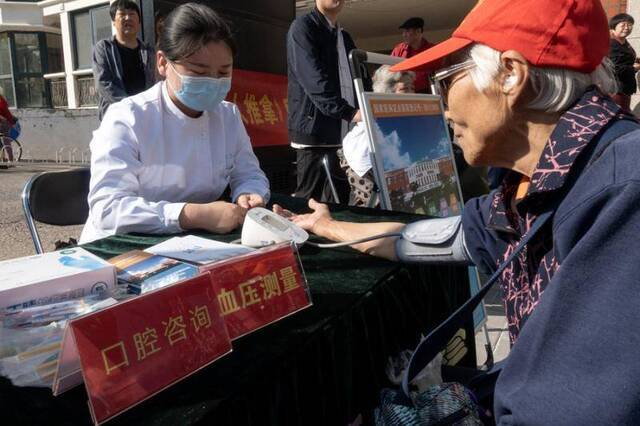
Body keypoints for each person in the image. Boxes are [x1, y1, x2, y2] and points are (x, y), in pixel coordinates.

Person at [275, 0, 640, 423]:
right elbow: (431, 238)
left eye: (447, 79)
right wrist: (328, 225)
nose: (444, 106)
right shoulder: (535, 184)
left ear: (511, 75)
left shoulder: (622, 193)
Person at [80, 3, 270, 244]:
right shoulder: (128, 118)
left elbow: (249, 172)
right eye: (199, 72)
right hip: (122, 246)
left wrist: (249, 193)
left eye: (223, 72)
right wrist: (191, 214)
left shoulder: (227, 116)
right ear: (163, 63)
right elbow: (108, 210)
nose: (212, 81)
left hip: (193, 242)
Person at [286, 0, 361, 203]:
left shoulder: (343, 36)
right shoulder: (303, 27)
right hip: (314, 131)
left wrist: (367, 106)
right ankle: (301, 235)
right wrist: (349, 112)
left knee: (340, 198)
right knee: (310, 200)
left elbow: (360, 76)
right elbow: (313, 77)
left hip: (343, 131)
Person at [338, 65, 415, 206]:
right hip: (364, 162)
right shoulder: (381, 111)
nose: (411, 93)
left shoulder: (402, 112)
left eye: (412, 88)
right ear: (387, 92)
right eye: (404, 89)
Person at [92, 0, 156, 120]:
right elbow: (103, 83)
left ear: (139, 22)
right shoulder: (103, 48)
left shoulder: (149, 51)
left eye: (132, 14)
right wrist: (131, 106)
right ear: (113, 22)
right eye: (122, 14)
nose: (128, 18)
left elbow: (155, 82)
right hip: (116, 115)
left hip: (146, 115)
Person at [390, 17, 435, 93]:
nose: (404, 35)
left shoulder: (432, 50)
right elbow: (389, 70)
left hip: (427, 93)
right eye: (403, 32)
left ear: (418, 31)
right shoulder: (399, 49)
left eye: (407, 31)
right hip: (403, 93)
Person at [608, 13, 639, 111]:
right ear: (614, 27)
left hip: (625, 88)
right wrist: (634, 68)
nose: (627, 28)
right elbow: (615, 68)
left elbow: (624, 61)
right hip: (615, 90)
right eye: (623, 25)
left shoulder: (624, 42)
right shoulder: (611, 44)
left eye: (630, 25)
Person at [0, 87, 18, 163]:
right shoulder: (2, 99)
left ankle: (8, 160)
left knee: (5, 141)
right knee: (5, 141)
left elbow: (5, 114)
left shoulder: (1, 101)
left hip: (3, 123)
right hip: (5, 122)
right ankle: (5, 159)